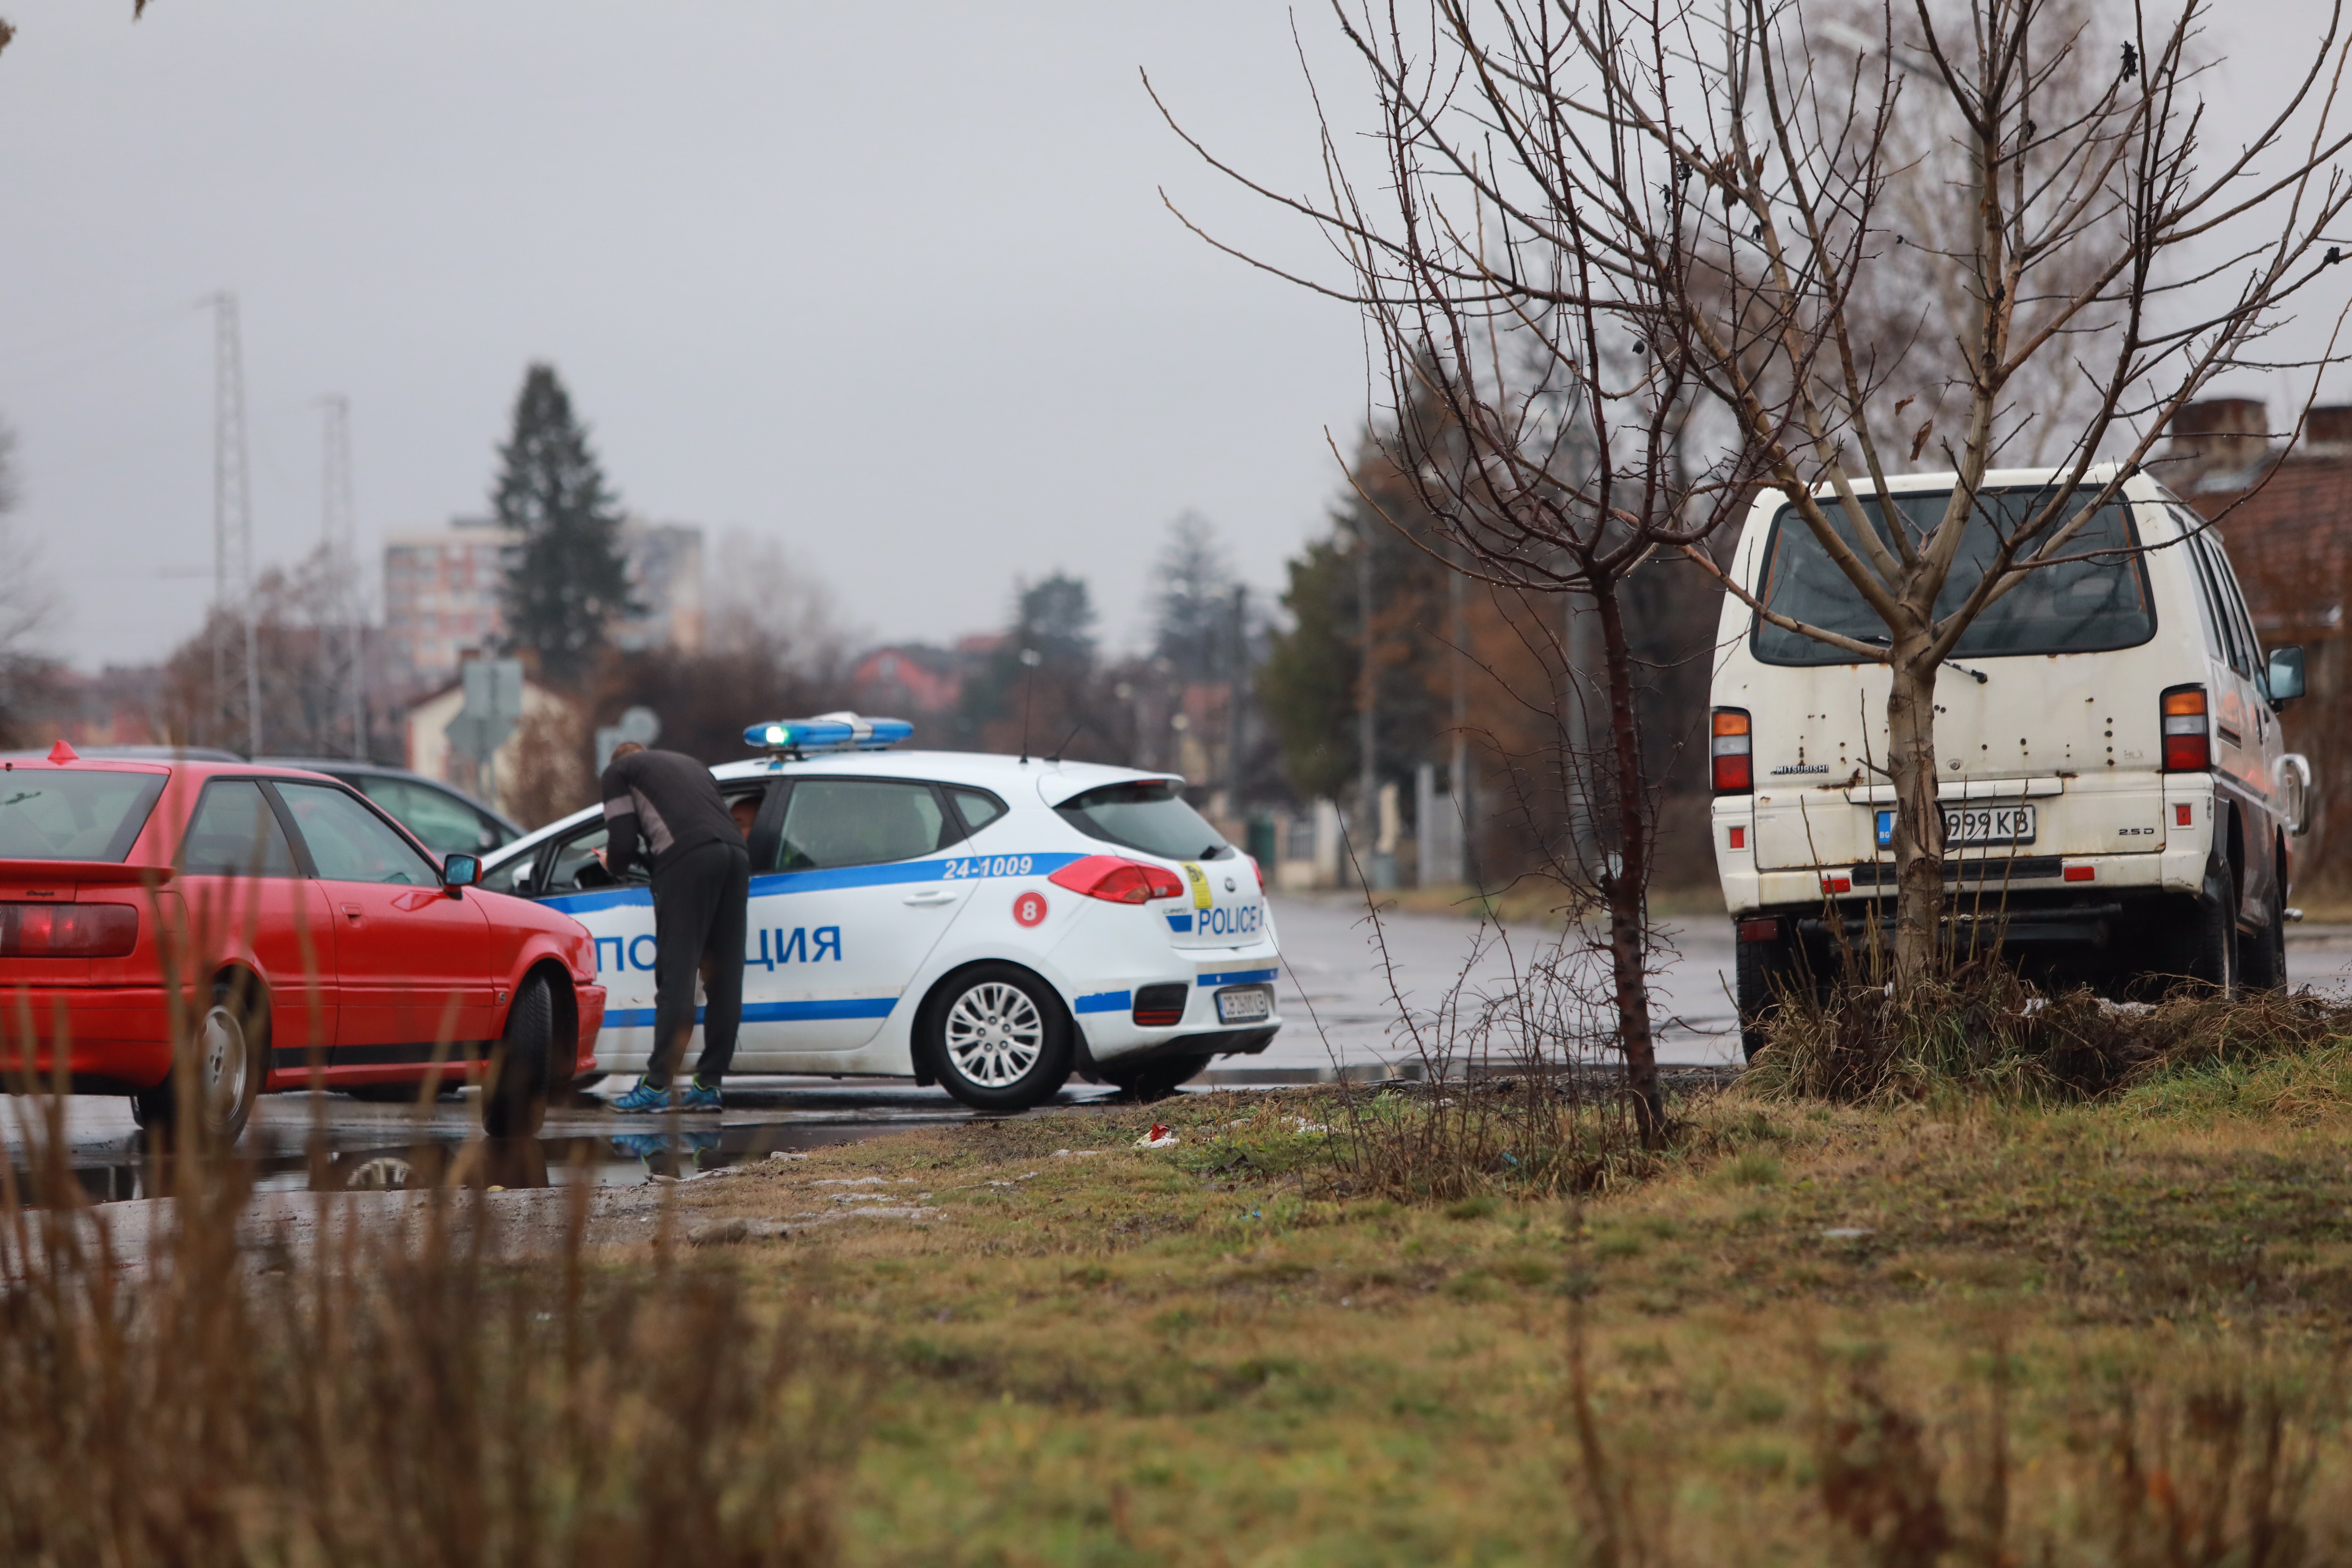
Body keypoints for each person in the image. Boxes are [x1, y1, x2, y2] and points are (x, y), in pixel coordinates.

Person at [595, 741, 750, 1112]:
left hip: (689, 862)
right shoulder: (692, 762)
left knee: (677, 975)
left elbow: (622, 843)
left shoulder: (618, 773)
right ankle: (709, 1084)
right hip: (735, 857)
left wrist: (610, 865)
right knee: (724, 977)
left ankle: (658, 1085)